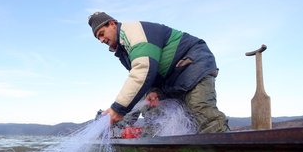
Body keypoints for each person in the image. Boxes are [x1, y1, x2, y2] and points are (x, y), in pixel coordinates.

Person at [88, 12, 229, 133]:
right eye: (98, 38)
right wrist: (153, 91)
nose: (101, 40)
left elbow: (143, 70)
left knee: (201, 112)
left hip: (192, 64)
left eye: (101, 34)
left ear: (112, 24)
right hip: (171, 80)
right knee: (153, 111)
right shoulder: (123, 52)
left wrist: (117, 109)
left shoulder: (133, 32)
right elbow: (148, 76)